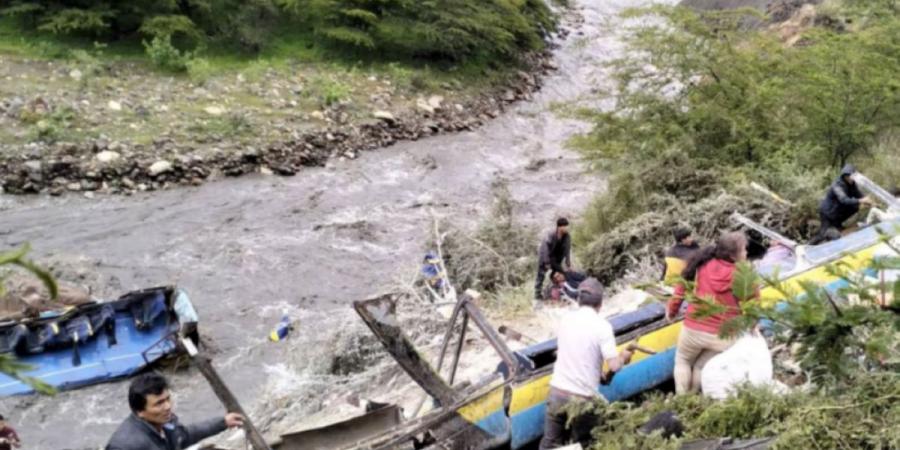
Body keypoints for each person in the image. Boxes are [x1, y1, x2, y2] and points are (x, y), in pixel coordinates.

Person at [539, 278, 634, 449]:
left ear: (578, 300)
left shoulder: (566, 320)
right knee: (585, 443)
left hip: (557, 393)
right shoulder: (602, 326)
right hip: (582, 399)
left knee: (550, 444)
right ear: (601, 303)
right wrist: (624, 357)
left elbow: (570, 352)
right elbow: (614, 366)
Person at [666, 231, 756, 394]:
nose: (746, 253)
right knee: (701, 366)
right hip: (723, 334)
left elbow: (680, 290)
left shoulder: (701, 263)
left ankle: (682, 399)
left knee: (682, 361)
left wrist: (672, 312)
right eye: (743, 250)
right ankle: (694, 395)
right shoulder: (744, 273)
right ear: (733, 255)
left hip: (693, 328)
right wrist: (753, 325)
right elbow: (754, 304)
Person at [106, 372, 245, 450]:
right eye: (159, 403)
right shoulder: (124, 445)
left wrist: (223, 422)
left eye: (168, 399)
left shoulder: (165, 421)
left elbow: (184, 435)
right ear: (139, 411)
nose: (167, 406)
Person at [810, 164, 873, 244]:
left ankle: (837, 230)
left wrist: (869, 201)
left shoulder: (852, 184)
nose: (850, 178)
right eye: (848, 176)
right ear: (844, 176)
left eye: (851, 176)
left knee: (855, 206)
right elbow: (844, 200)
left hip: (837, 213)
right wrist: (861, 200)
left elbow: (859, 195)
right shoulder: (837, 185)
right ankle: (809, 246)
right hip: (827, 213)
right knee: (824, 234)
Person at [535, 218, 572, 300]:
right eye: (565, 226)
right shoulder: (550, 235)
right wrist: (546, 262)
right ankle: (537, 297)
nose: (567, 228)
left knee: (562, 274)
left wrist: (568, 263)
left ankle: (557, 293)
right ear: (559, 227)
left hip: (556, 259)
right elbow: (544, 249)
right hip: (545, 257)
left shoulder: (567, 236)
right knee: (540, 276)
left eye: (567, 226)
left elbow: (567, 250)